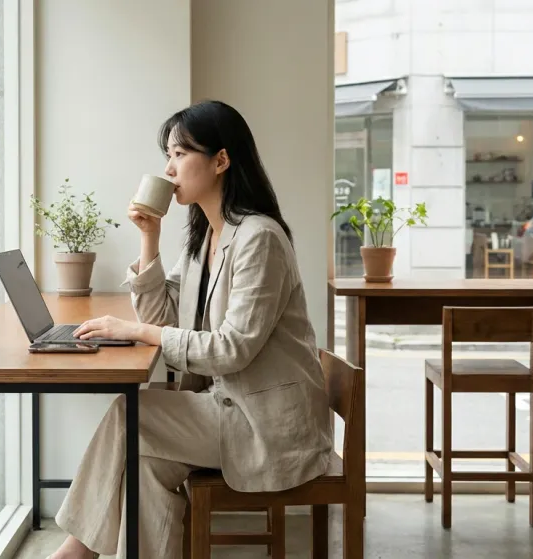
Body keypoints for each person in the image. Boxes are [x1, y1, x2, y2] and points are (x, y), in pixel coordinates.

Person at [47, 100, 333, 559]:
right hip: (223, 406)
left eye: (180, 154)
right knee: (145, 463)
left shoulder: (258, 239)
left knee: (129, 416)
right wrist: (149, 236)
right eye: (168, 155)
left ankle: (74, 553)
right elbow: (162, 317)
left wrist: (138, 333)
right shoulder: (206, 238)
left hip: (265, 424)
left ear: (220, 160)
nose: (168, 167)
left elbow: (230, 350)